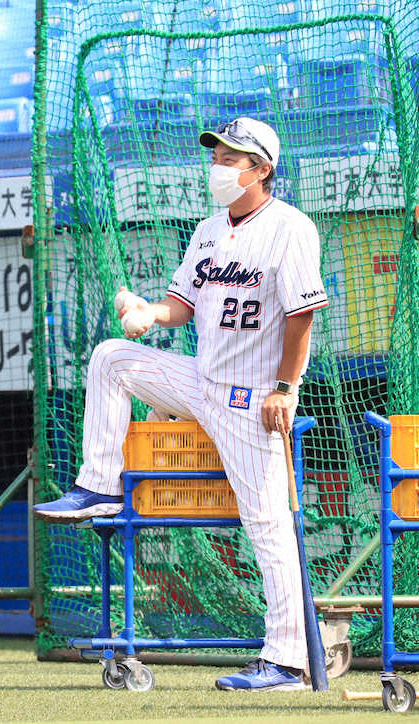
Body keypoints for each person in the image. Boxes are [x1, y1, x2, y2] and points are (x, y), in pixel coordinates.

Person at [33, 117, 329, 692]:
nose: (219, 164)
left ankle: (287, 661)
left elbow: (302, 316)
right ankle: (98, 485)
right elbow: (180, 305)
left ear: (261, 169)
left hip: (251, 396)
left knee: (267, 525)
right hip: (202, 380)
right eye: (217, 154)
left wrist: (286, 389)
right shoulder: (208, 229)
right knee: (113, 357)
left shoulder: (291, 229)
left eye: (232, 157)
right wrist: (148, 314)